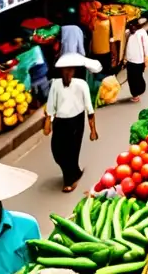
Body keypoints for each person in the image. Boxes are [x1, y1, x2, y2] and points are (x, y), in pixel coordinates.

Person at [43, 53, 100, 192]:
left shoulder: (81, 85)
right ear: (61, 71)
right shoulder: (56, 84)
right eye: (65, 70)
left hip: (76, 121)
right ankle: (75, 173)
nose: (67, 72)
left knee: (71, 152)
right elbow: (51, 106)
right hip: (60, 122)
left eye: (70, 69)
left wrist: (93, 130)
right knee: (57, 152)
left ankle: (69, 180)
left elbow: (89, 108)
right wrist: (48, 123)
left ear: (74, 71)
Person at [124, 25, 148, 103]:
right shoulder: (128, 33)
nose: (132, 28)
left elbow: (146, 45)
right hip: (131, 60)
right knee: (132, 79)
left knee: (135, 78)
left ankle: (137, 93)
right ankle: (136, 94)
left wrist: (147, 56)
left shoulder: (141, 33)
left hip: (139, 60)